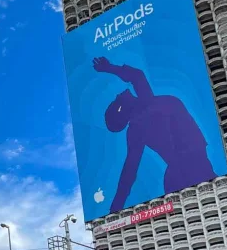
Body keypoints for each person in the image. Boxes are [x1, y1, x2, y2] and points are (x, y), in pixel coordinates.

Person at [92, 57, 217, 212]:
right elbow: (128, 172)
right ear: (122, 112)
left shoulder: (144, 112)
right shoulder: (141, 119)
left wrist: (115, 209)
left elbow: (128, 173)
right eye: (117, 104)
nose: (119, 96)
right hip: (184, 168)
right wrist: (115, 211)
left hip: (191, 164)